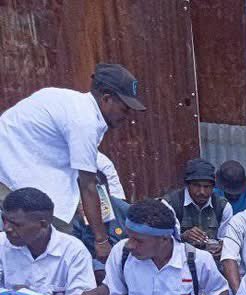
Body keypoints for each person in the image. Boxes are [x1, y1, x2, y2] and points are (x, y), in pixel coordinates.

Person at [0, 63, 143, 263]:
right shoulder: (84, 120)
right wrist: (101, 241)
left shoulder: (74, 104)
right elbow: (88, 186)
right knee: (56, 243)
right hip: (12, 172)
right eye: (124, 108)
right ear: (106, 99)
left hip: (25, 166)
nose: (127, 116)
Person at [67, 199, 230, 295]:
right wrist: (92, 294)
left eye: (138, 240)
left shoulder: (197, 260)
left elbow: (219, 292)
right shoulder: (122, 252)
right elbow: (111, 287)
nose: (130, 244)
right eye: (129, 236)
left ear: (164, 239)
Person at [0, 187, 95, 295]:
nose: (7, 228)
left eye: (16, 224)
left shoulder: (74, 251)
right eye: (4, 220)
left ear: (43, 225)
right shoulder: (2, 244)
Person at [163, 158, 232, 257]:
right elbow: (162, 241)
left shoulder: (223, 207)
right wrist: (183, 236)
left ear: (213, 187)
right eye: (196, 186)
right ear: (187, 185)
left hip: (212, 260)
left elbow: (226, 239)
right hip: (180, 259)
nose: (202, 192)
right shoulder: (170, 204)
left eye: (207, 187)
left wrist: (222, 247)